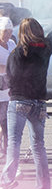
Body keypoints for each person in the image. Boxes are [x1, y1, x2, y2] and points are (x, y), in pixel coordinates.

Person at [0, 7, 52, 189]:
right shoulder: (46, 49)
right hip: (39, 103)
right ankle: (44, 187)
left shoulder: (17, 52)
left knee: (14, 142)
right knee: (39, 145)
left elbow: (9, 78)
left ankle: (7, 180)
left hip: (19, 101)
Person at [0, 17, 17, 159]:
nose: (7, 34)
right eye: (4, 31)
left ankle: (7, 150)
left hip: (9, 90)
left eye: (10, 31)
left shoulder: (12, 43)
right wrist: (11, 69)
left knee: (7, 124)